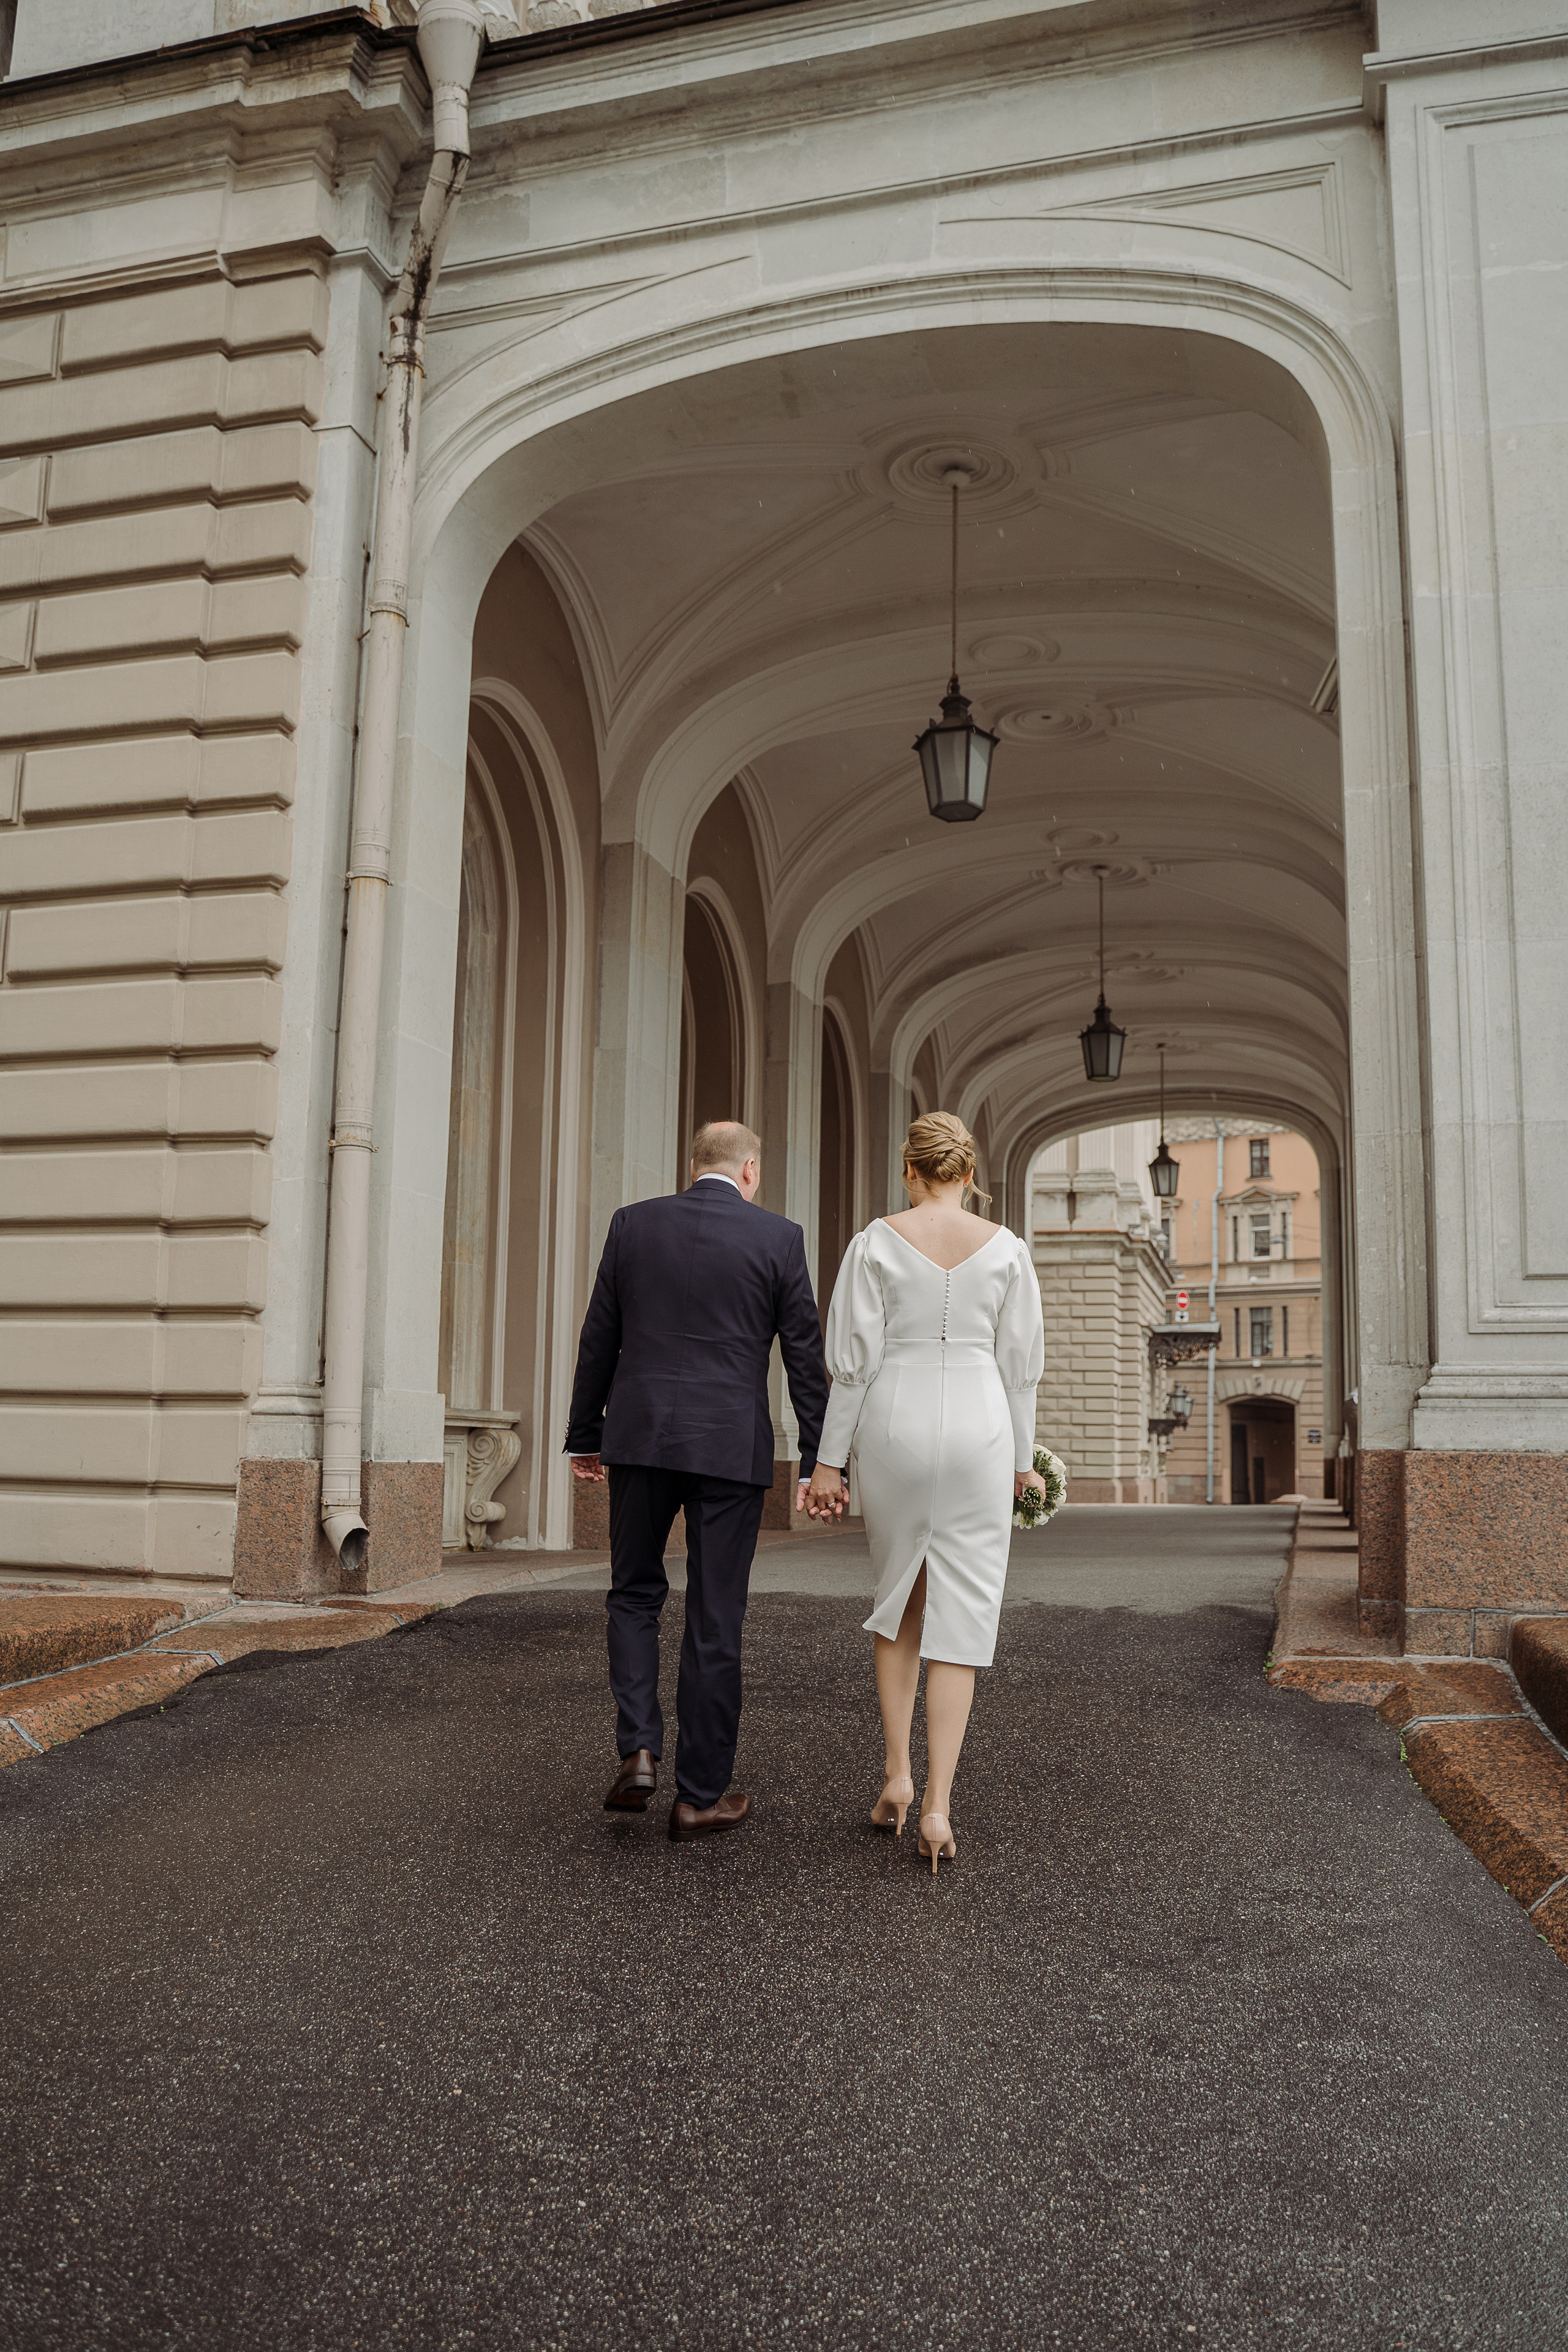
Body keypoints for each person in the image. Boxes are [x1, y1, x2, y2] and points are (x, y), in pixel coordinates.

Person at [565, 1120, 830, 1843]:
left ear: (693, 1166)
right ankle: (699, 1797)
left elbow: (599, 1335)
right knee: (715, 1615)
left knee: (633, 1593)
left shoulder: (634, 1225)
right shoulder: (778, 1238)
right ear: (750, 1171)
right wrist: (818, 1459)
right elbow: (803, 1357)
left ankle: (638, 1749)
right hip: (728, 1446)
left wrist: (587, 1433)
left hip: (642, 1436)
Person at [801, 1112, 1045, 1872]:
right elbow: (1019, 1369)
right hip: (980, 1428)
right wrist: (1023, 1463)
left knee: (899, 1602)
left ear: (909, 1170)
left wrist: (827, 1463)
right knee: (962, 1616)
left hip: (895, 1427)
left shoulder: (874, 1242)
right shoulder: (1007, 1249)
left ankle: (896, 1776)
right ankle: (938, 1806)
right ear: (968, 1174)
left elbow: (852, 1366)